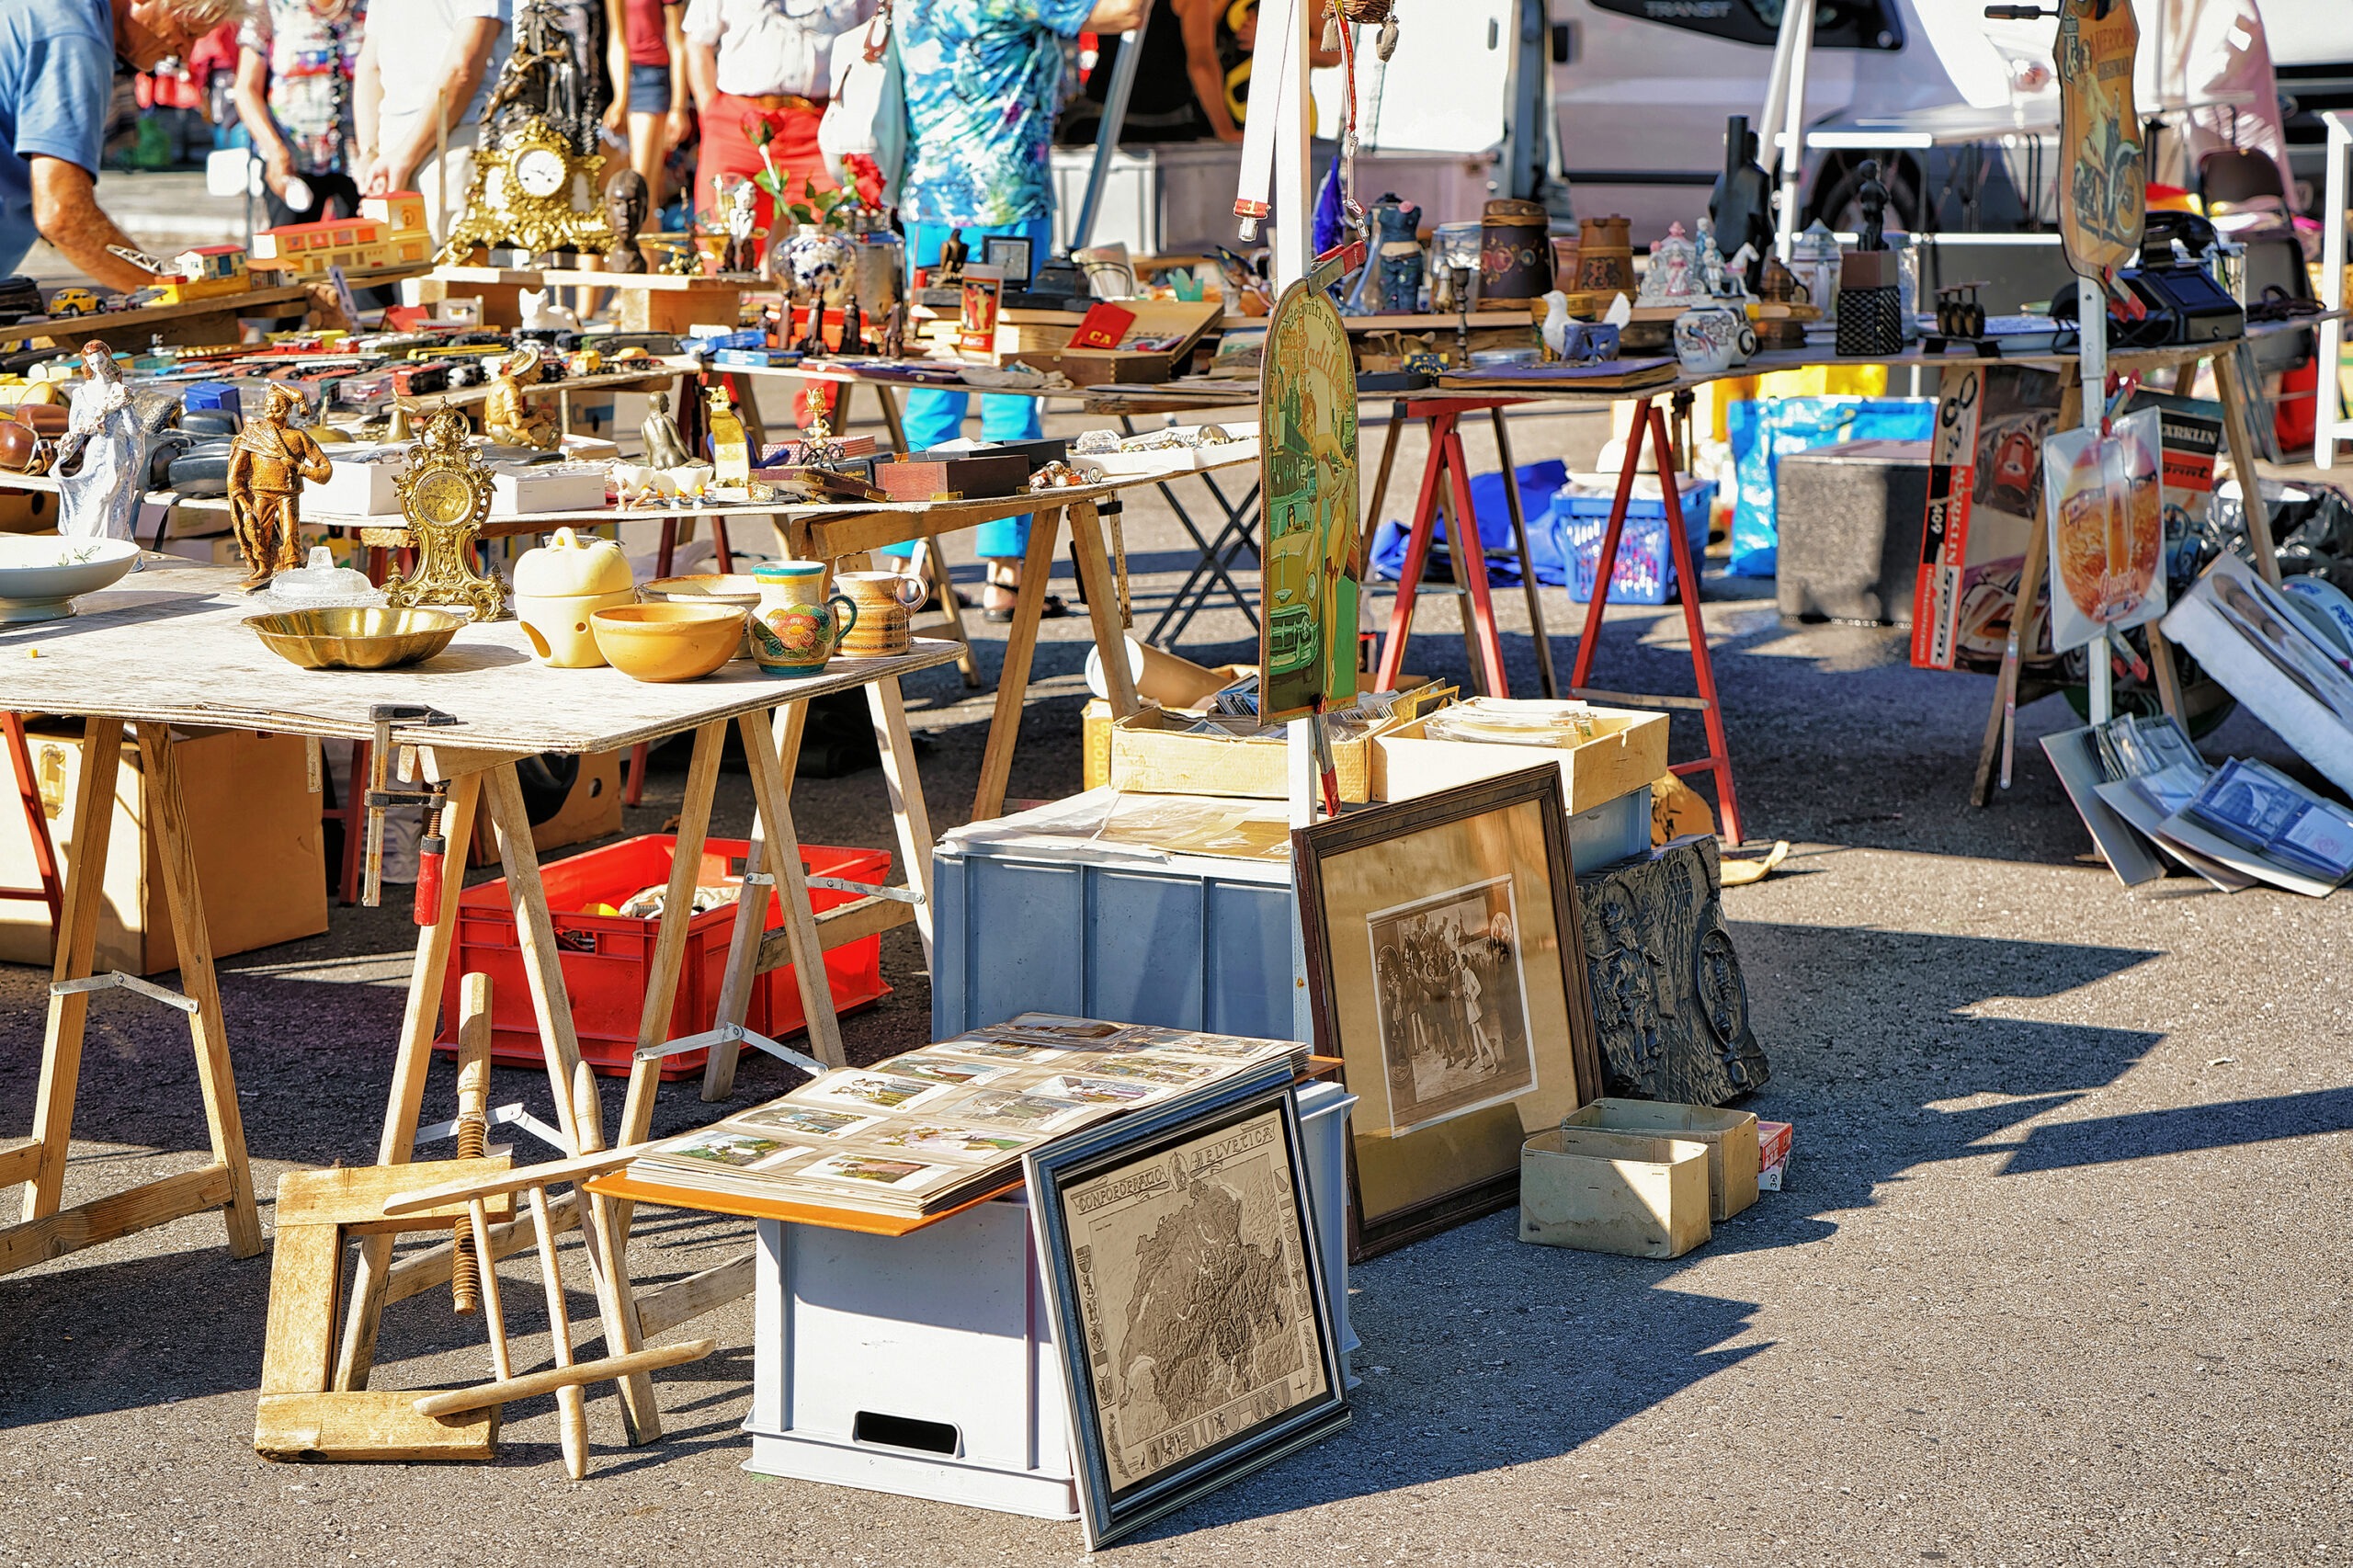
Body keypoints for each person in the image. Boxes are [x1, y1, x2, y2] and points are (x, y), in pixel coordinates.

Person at [887, 0, 1141, 619]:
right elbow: (1125, 11)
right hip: (1005, 206)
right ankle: (1004, 571)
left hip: (930, 206)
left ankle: (901, 571)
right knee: (1013, 380)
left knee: (934, 381)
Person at [0, 0, 256, 290]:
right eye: (186, 31)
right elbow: (64, 215)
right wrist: (175, 295)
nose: (184, 53)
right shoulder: (74, 36)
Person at [682, 0, 871, 240]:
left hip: (819, 129)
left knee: (829, 246)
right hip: (736, 124)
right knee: (725, 249)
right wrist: (710, 112)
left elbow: (873, 39)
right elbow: (697, 41)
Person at [352, 0, 511, 236]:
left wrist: (380, 155)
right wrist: (373, 155)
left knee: (444, 268)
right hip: (429, 152)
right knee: (438, 267)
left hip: (450, 147)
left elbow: (463, 69)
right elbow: (462, 69)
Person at [233, 0, 368, 227]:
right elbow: (245, 89)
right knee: (288, 254)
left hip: (359, 161)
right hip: (292, 159)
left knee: (361, 254)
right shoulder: (270, 6)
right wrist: (276, 151)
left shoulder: (371, 6)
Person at [623, 0, 689, 211]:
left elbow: (678, 43)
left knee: (640, 186)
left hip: (649, 77)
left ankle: (644, 245)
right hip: (605, 79)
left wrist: (679, 107)